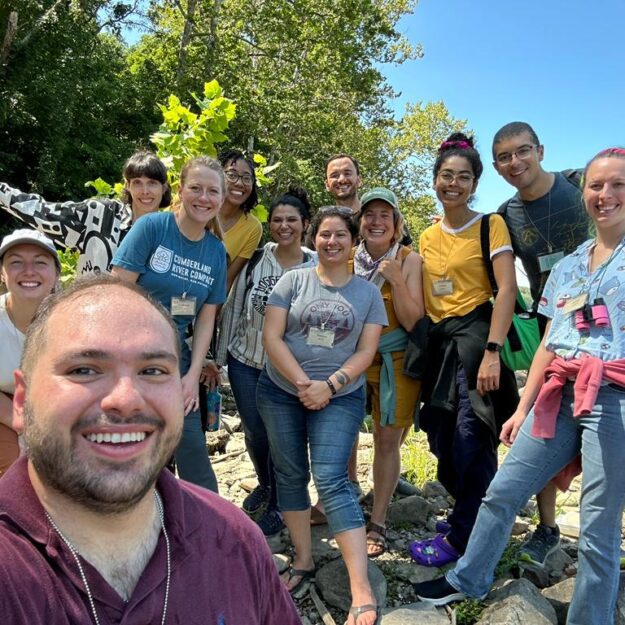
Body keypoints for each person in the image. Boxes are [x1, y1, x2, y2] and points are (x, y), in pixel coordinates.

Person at [0, 275, 302, 624]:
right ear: (21, 401)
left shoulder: (234, 537)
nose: (126, 400)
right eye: (83, 369)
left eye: (153, 370)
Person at [414, 147, 625, 625]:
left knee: (597, 527)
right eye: (596, 185)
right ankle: (467, 579)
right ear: (584, 192)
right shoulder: (572, 264)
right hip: (557, 391)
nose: (605, 195)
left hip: (613, 399)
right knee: (503, 491)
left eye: (617, 185)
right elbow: (551, 339)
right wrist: (521, 406)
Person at [257, 206, 387, 625]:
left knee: (332, 477)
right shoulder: (291, 281)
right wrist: (302, 384)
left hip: (341, 395)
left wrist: (327, 386)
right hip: (281, 391)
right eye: (325, 235)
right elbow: (271, 337)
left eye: (341, 236)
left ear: (354, 242)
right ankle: (304, 559)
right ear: (314, 238)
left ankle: (361, 589)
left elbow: (367, 351)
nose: (332, 242)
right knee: (290, 473)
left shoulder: (367, 293)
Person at [407, 133, 519, 566]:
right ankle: (470, 513)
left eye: (463, 177)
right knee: (440, 434)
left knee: (473, 436)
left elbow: (506, 288)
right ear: (435, 181)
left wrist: (493, 350)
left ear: (475, 184)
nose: (453, 183)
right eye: (446, 176)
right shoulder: (427, 235)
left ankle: (465, 538)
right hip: (438, 344)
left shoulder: (490, 225)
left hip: (475, 340)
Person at [493, 121, 589, 565]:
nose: (516, 162)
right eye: (505, 157)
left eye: (522, 151)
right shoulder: (504, 215)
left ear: (541, 150)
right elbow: (496, 273)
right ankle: (548, 527)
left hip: (611, 327)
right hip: (554, 329)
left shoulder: (582, 184)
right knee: (544, 421)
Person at [111, 156, 227, 493]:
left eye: (212, 191)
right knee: (136, 445)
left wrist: (191, 378)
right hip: (130, 354)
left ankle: (211, 531)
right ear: (179, 190)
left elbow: (207, 316)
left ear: (221, 199)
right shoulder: (151, 228)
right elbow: (118, 291)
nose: (204, 198)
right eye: (196, 188)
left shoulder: (216, 251)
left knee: (191, 446)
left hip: (177, 358)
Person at [216, 187, 316, 536]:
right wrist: (218, 357)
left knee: (283, 437)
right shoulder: (257, 259)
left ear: (305, 224)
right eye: (277, 220)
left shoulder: (317, 265)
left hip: (289, 370)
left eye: (292, 220)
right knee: (255, 433)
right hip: (247, 360)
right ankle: (265, 483)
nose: (284, 226)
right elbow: (233, 308)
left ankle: (279, 503)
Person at [351, 188, 424, 557]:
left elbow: (414, 321)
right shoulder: (348, 259)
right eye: (370, 215)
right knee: (344, 431)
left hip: (396, 361)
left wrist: (395, 279)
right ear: (360, 222)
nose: (376, 222)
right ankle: (346, 503)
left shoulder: (409, 261)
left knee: (385, 438)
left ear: (396, 225)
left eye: (385, 215)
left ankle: (378, 519)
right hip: (352, 360)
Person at [0, 150, 171, 275]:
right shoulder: (99, 215)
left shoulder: (173, 233)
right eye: (137, 183)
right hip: (90, 318)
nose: (145, 191)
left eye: (152, 183)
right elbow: (42, 212)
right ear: (127, 185)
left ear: (163, 187)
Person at [0, 230, 59, 477]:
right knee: (14, 467)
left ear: (56, 275)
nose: (28, 271)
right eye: (15, 262)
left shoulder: (74, 321)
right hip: (6, 408)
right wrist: (23, 423)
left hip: (55, 409)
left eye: (40, 262)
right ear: (2, 274)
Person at [217, 149, 263, 291]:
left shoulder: (252, 227)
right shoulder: (198, 207)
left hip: (204, 304)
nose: (239, 183)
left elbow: (226, 281)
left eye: (246, 178)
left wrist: (211, 313)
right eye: (232, 175)